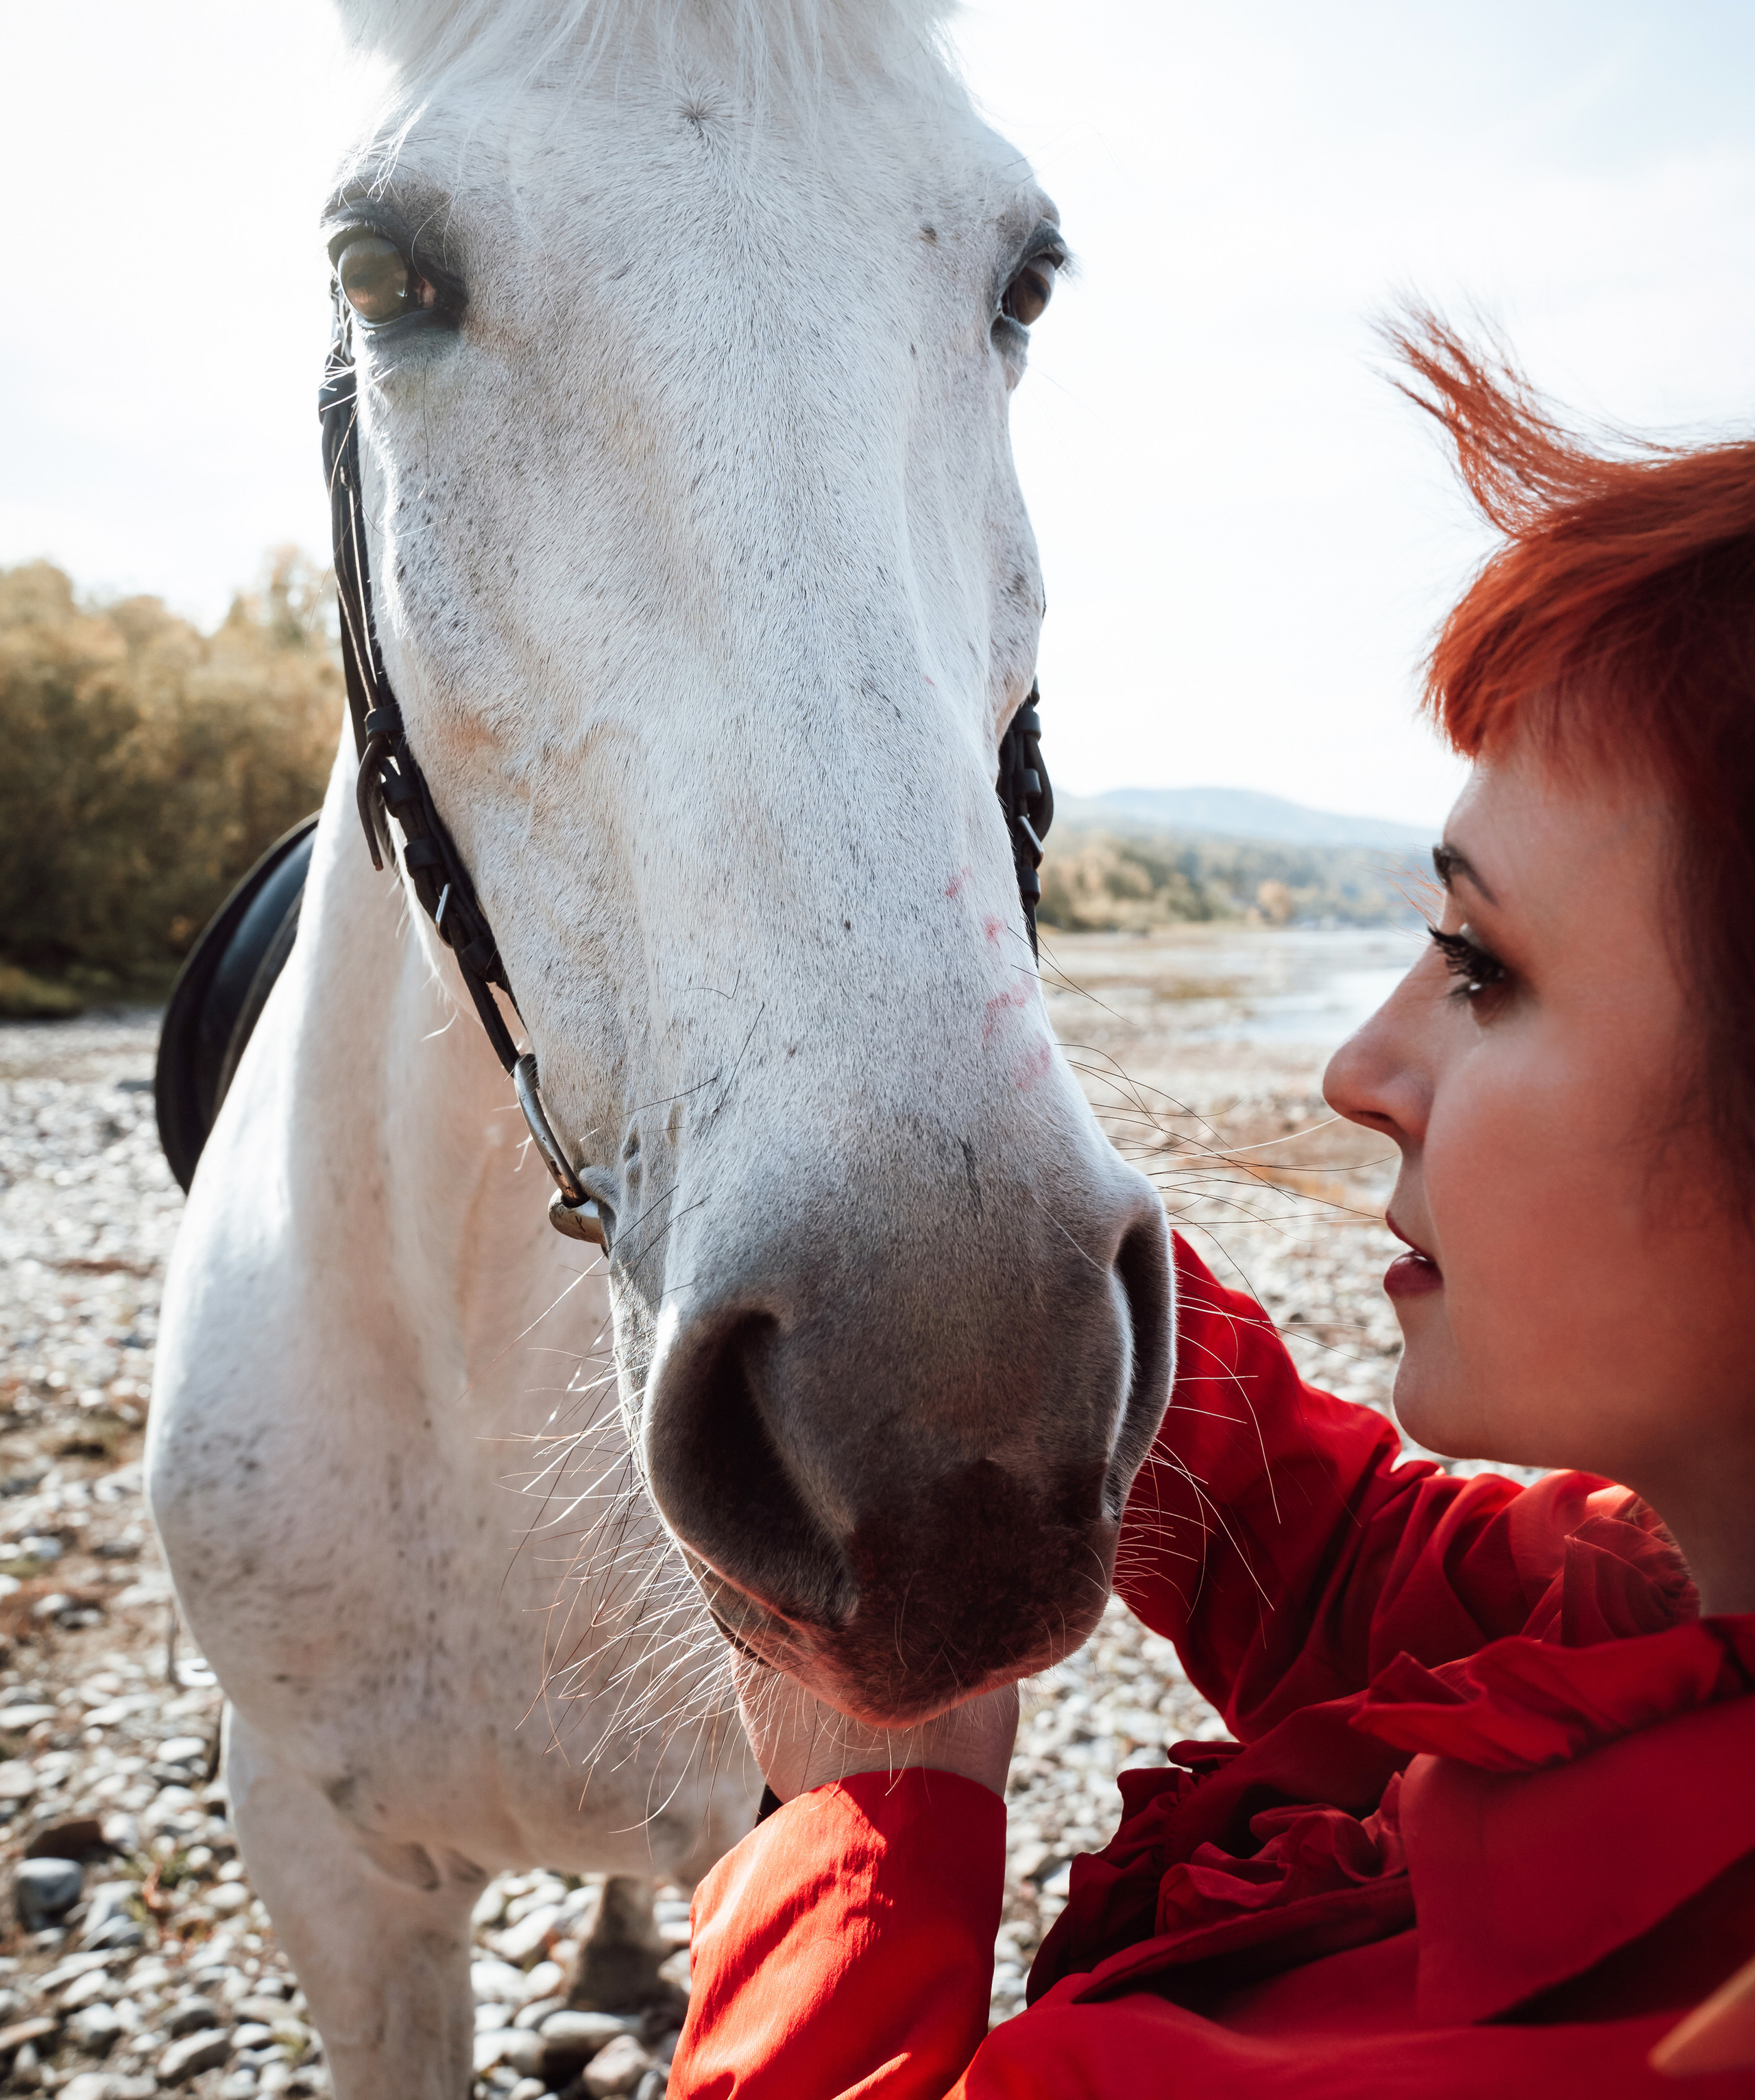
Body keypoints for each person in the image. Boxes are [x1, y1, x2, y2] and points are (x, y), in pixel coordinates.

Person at [668, 310, 1755, 2097]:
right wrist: (1045, 1235)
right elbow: (1372, 1569)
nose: (1356, 1065)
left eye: (1479, 965)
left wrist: (875, 1814)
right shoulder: (1677, 1582)